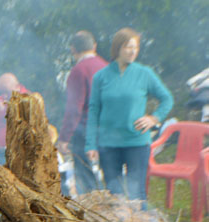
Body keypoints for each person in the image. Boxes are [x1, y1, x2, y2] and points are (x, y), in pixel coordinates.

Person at [85, 28, 174, 203]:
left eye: (136, 47)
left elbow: (167, 99)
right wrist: (90, 144)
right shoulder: (101, 77)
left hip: (136, 143)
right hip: (108, 145)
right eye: (128, 47)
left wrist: (154, 118)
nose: (133, 51)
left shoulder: (144, 73)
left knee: (137, 195)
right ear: (117, 48)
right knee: (112, 194)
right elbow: (93, 110)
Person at [57, 31, 108, 195]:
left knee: (86, 176)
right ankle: (116, 212)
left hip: (86, 131)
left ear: (73, 49)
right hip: (110, 129)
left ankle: (93, 211)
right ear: (94, 46)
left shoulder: (78, 71)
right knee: (110, 174)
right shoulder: (107, 67)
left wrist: (64, 138)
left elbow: (74, 108)